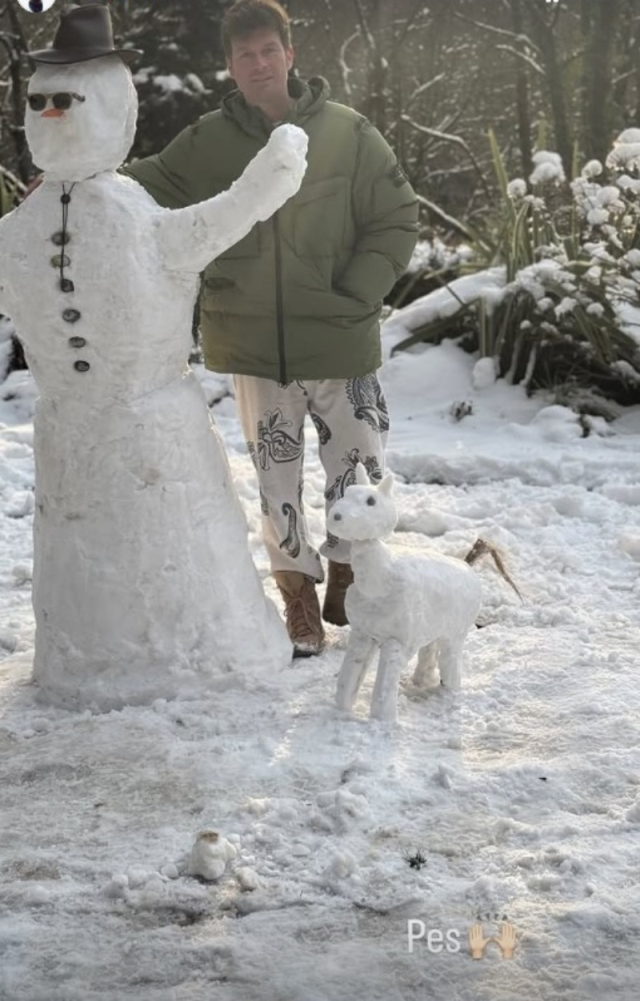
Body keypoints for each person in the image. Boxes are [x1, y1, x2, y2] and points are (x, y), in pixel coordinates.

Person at [123, 0, 419, 657]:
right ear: (229, 66)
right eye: (244, 55)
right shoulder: (207, 141)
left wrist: (356, 291)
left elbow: (397, 217)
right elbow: (143, 187)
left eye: (268, 51)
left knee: (359, 468)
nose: (258, 64)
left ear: (290, 55)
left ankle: (351, 577)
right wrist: (75, 184)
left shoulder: (348, 131)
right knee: (275, 481)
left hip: (340, 340)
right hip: (255, 347)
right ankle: (298, 597)